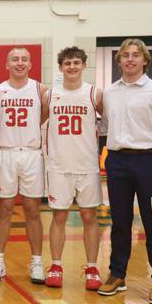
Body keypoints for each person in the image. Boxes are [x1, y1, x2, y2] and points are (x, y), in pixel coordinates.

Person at [98, 38, 152, 304]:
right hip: (117, 162)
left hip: (148, 163)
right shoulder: (109, 92)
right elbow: (105, 126)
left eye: (135, 55)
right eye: (125, 55)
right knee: (119, 222)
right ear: (118, 60)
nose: (130, 59)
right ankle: (117, 274)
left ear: (144, 60)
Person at [42, 47, 103, 291]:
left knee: (89, 216)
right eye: (68, 63)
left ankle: (92, 268)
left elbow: (107, 122)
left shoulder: (94, 94)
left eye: (77, 62)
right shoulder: (50, 95)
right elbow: (40, 120)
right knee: (59, 216)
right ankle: (56, 266)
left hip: (87, 165)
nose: (72, 67)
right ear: (60, 67)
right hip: (59, 165)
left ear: (84, 65)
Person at [0, 48, 47, 284]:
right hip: (6, 153)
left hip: (31, 154)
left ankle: (37, 263)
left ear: (30, 64)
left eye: (24, 59)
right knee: (4, 210)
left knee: (33, 210)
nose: (19, 63)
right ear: (6, 64)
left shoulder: (40, 89)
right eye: (15, 59)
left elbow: (42, 116)